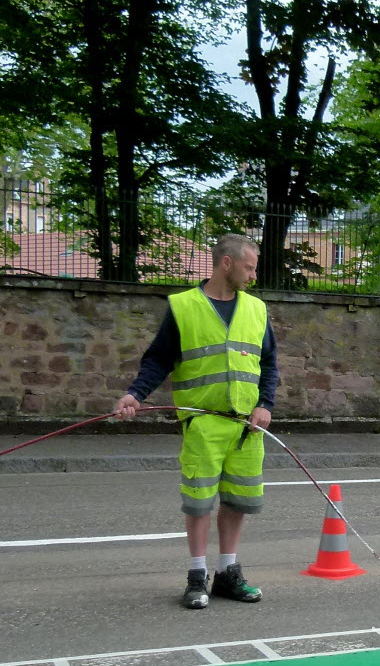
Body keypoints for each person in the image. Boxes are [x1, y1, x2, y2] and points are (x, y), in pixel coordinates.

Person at [114, 234, 279, 609]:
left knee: (238, 501)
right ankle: (196, 576)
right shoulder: (183, 306)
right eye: (249, 267)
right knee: (199, 502)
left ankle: (227, 573)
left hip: (245, 427)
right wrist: (135, 395)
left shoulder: (256, 309)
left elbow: (268, 363)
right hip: (203, 423)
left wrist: (265, 404)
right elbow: (158, 359)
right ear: (227, 264)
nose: (254, 274)